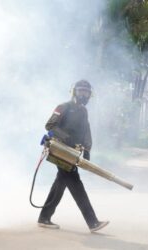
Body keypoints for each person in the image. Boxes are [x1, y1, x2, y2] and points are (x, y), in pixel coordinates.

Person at [38, 80, 109, 233]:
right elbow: (50, 125)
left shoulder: (83, 111)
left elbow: (86, 130)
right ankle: (92, 222)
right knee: (76, 184)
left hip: (73, 153)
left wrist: (88, 148)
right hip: (60, 150)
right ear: (74, 92)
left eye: (86, 92)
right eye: (81, 91)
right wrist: (65, 137)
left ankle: (44, 217)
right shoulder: (63, 107)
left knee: (61, 182)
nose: (84, 95)